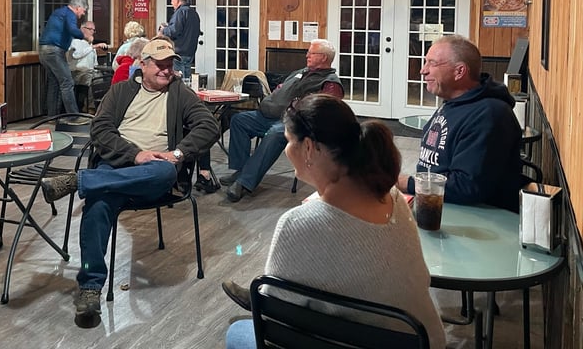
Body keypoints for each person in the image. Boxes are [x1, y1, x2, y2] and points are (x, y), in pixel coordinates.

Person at [223, 94, 446, 349]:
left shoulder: (299, 223)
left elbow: (273, 313)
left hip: (352, 341)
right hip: (422, 341)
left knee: (238, 331)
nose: (286, 150)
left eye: (288, 141)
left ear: (309, 147)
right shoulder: (394, 198)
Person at [39, 39, 219, 325]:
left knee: (165, 172)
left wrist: (177, 153)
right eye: (160, 64)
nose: (166, 70)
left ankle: (80, 180)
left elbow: (209, 126)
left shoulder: (179, 92)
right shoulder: (121, 90)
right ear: (143, 64)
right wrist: (135, 155)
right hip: (117, 164)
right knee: (97, 205)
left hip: (155, 173)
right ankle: (90, 286)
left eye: (169, 65)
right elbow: (100, 129)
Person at [395, 34, 523, 211]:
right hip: (437, 205)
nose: (423, 70)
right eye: (425, 62)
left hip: (477, 218)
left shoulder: (490, 115)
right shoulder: (453, 102)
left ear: (459, 71)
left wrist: (405, 183)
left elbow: (467, 186)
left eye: (432, 63)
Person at [220, 39, 344, 202]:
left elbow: (324, 113)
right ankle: (241, 171)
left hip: (294, 123)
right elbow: (281, 87)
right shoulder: (300, 72)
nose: (307, 55)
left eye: (311, 53)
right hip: (267, 115)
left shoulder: (330, 83)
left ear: (323, 57)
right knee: (239, 120)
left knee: (275, 133)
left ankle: (244, 182)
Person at [39, 0, 89, 116]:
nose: (83, 14)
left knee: (54, 82)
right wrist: (85, 36)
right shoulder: (70, 14)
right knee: (67, 83)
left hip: (43, 50)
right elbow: (72, 30)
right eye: (83, 11)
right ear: (78, 7)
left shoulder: (58, 12)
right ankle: (74, 116)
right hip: (54, 51)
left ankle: (52, 116)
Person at [158, 0, 200, 78]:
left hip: (179, 51)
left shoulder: (180, 12)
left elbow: (174, 31)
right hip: (190, 51)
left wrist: (164, 30)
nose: (171, 3)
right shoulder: (194, 13)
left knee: (178, 78)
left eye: (172, 0)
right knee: (187, 79)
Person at [67, 20, 109, 110]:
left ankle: (99, 107)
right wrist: (93, 46)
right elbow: (76, 55)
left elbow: (94, 62)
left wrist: (97, 70)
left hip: (90, 71)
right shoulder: (75, 41)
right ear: (82, 29)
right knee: (90, 79)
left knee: (104, 79)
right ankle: (88, 107)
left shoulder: (89, 44)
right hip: (78, 72)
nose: (92, 32)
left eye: (93, 30)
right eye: (90, 29)